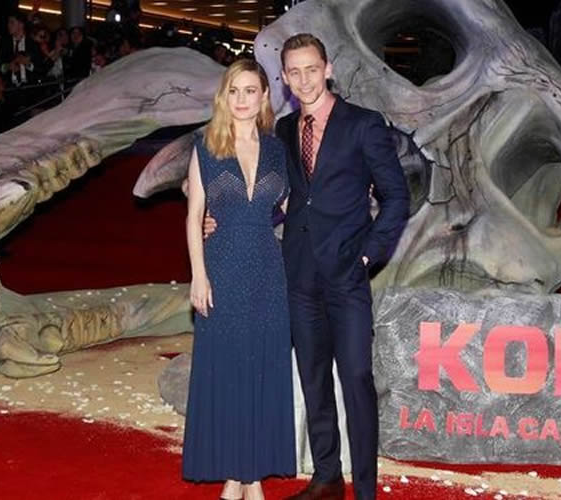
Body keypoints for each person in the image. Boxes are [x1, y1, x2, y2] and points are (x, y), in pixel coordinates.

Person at [205, 34, 410, 500]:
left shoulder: (363, 124)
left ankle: (365, 490)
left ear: (328, 68)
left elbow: (397, 197)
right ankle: (326, 477)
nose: (304, 80)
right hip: (297, 274)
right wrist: (226, 218)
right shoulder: (282, 130)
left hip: (347, 274)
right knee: (314, 379)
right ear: (284, 79)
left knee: (356, 378)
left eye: (311, 69)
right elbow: (281, 198)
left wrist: (368, 253)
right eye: (294, 72)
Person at [183, 58, 296, 500]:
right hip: (222, 268)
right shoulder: (206, 146)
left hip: (267, 270)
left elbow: (287, 207)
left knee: (261, 369)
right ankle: (238, 476)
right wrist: (198, 275)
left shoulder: (277, 150)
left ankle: (247, 478)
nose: (242, 99)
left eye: (251, 90)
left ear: (265, 96)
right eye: (234, 91)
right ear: (223, 97)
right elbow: (194, 216)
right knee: (229, 371)